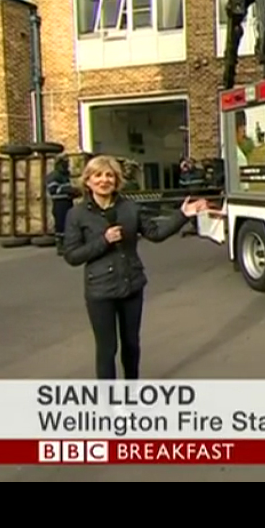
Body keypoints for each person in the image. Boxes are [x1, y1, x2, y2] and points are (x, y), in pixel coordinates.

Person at [62, 155, 208, 380]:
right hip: (100, 291)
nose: (104, 180)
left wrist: (183, 215)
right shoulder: (77, 214)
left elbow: (155, 233)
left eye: (109, 175)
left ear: (117, 180)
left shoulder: (130, 208)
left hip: (131, 285)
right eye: (98, 175)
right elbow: (72, 255)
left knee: (131, 344)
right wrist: (103, 240)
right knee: (107, 348)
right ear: (88, 181)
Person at [45, 156, 78, 255]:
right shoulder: (54, 175)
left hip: (68, 201)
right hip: (59, 203)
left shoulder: (65, 175)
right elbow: (53, 189)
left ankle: (67, 244)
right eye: (65, 163)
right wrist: (68, 190)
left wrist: (74, 192)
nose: (67, 165)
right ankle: (60, 245)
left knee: (68, 222)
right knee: (60, 223)